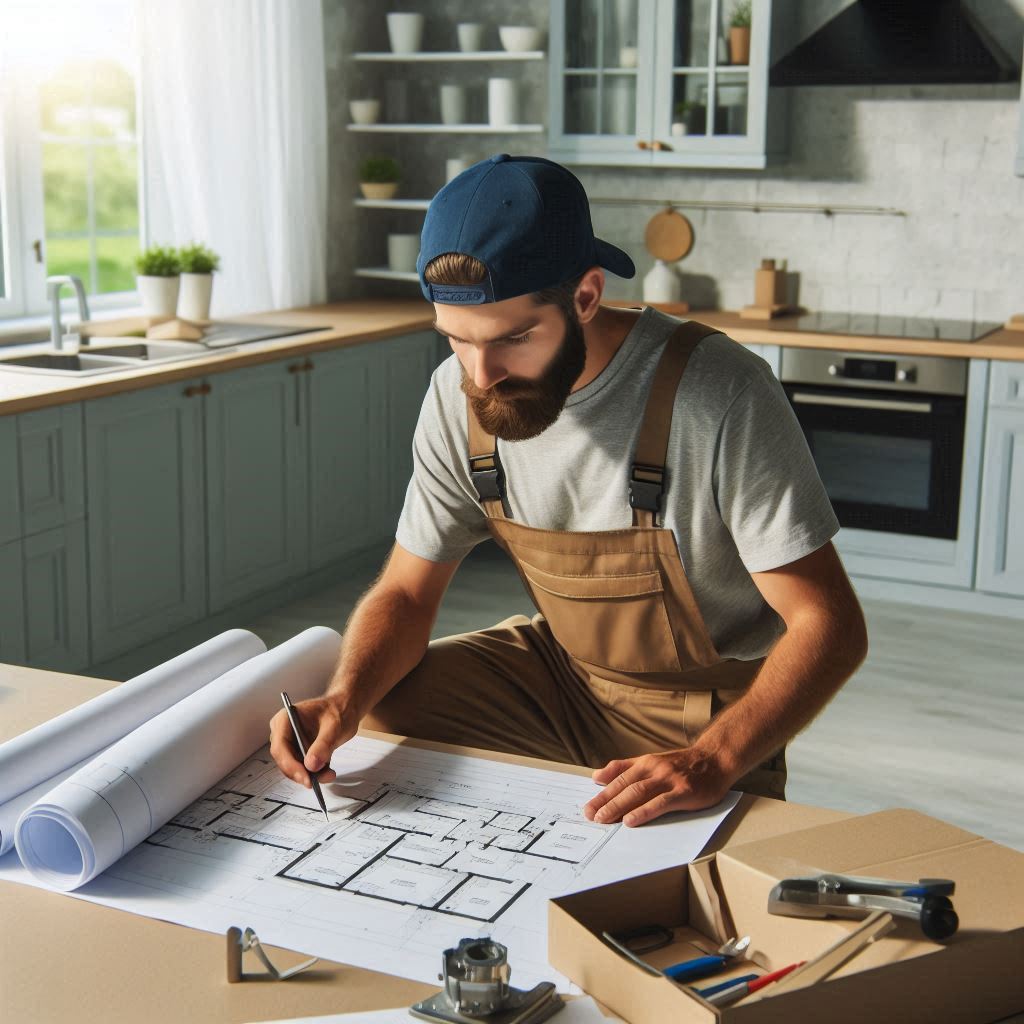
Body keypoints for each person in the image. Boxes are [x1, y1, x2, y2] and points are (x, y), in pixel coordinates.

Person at [269, 153, 868, 827]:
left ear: (585, 296)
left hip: (704, 710)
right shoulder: (456, 396)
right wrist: (344, 699)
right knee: (377, 706)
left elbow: (829, 625)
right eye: (457, 341)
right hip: (565, 676)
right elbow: (408, 592)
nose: (482, 375)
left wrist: (714, 760)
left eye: (512, 339)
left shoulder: (719, 392)